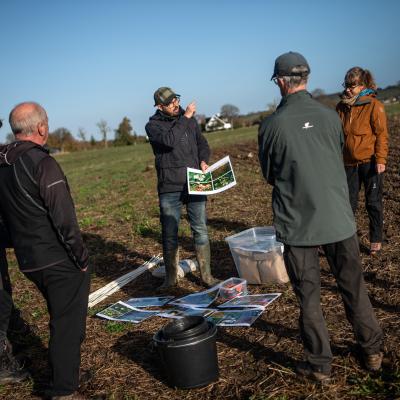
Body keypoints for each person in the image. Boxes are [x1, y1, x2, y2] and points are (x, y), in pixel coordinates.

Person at [258, 52, 383, 383]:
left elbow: (271, 174)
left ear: (281, 82)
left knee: (309, 296)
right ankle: (372, 350)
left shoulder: (271, 126)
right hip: (339, 219)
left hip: (299, 225)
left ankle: (319, 365)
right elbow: (339, 156)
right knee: (353, 287)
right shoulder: (331, 117)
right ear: (307, 79)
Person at [0, 102, 90, 399]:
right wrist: (81, 258)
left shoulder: (3, 163)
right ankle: (63, 389)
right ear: (40, 127)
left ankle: (66, 369)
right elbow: (64, 218)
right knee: (67, 325)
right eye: (47, 122)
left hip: (28, 260)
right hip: (56, 259)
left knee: (59, 316)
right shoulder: (42, 163)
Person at [145, 87, 218, 288]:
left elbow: (202, 144)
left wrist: (203, 160)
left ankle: (207, 276)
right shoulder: (153, 126)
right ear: (160, 107)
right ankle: (170, 280)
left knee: (201, 229)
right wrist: (185, 117)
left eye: (176, 99)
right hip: (170, 186)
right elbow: (170, 141)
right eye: (170, 103)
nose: (176, 104)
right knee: (170, 233)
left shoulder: (190, 121)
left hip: (195, 182)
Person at [336, 67, 389, 255]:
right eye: (346, 85)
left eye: (353, 85)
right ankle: (348, 240)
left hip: (370, 162)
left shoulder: (375, 106)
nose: (348, 89)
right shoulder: (341, 106)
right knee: (348, 203)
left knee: (373, 202)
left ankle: (376, 239)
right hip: (348, 163)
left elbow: (382, 135)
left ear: (363, 85)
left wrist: (381, 159)